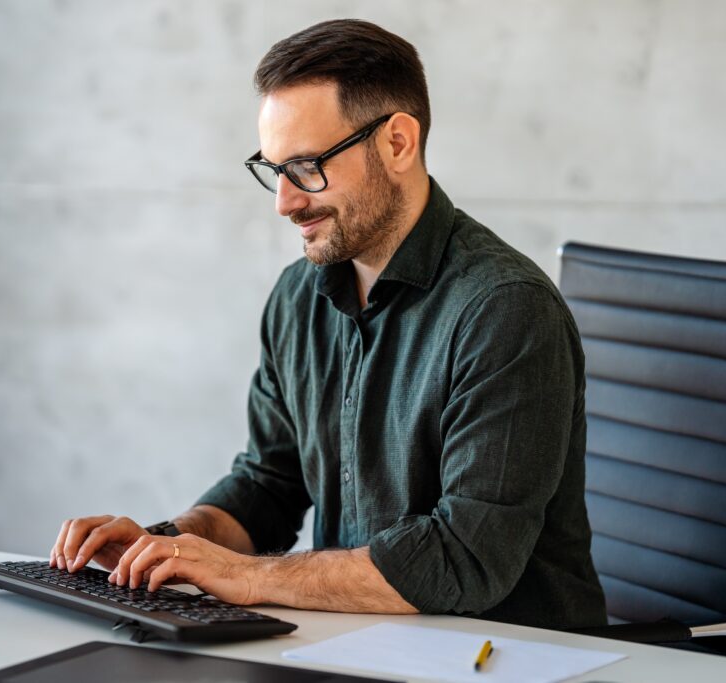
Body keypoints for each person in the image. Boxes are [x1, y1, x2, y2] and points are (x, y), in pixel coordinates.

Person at [51, 18, 607, 630]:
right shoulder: (297, 297)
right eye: (274, 170)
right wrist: (170, 545)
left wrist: (247, 577)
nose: (285, 202)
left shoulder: (506, 310)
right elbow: (269, 484)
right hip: (352, 639)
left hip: (505, 656)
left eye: (307, 165)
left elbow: (464, 559)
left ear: (398, 143)